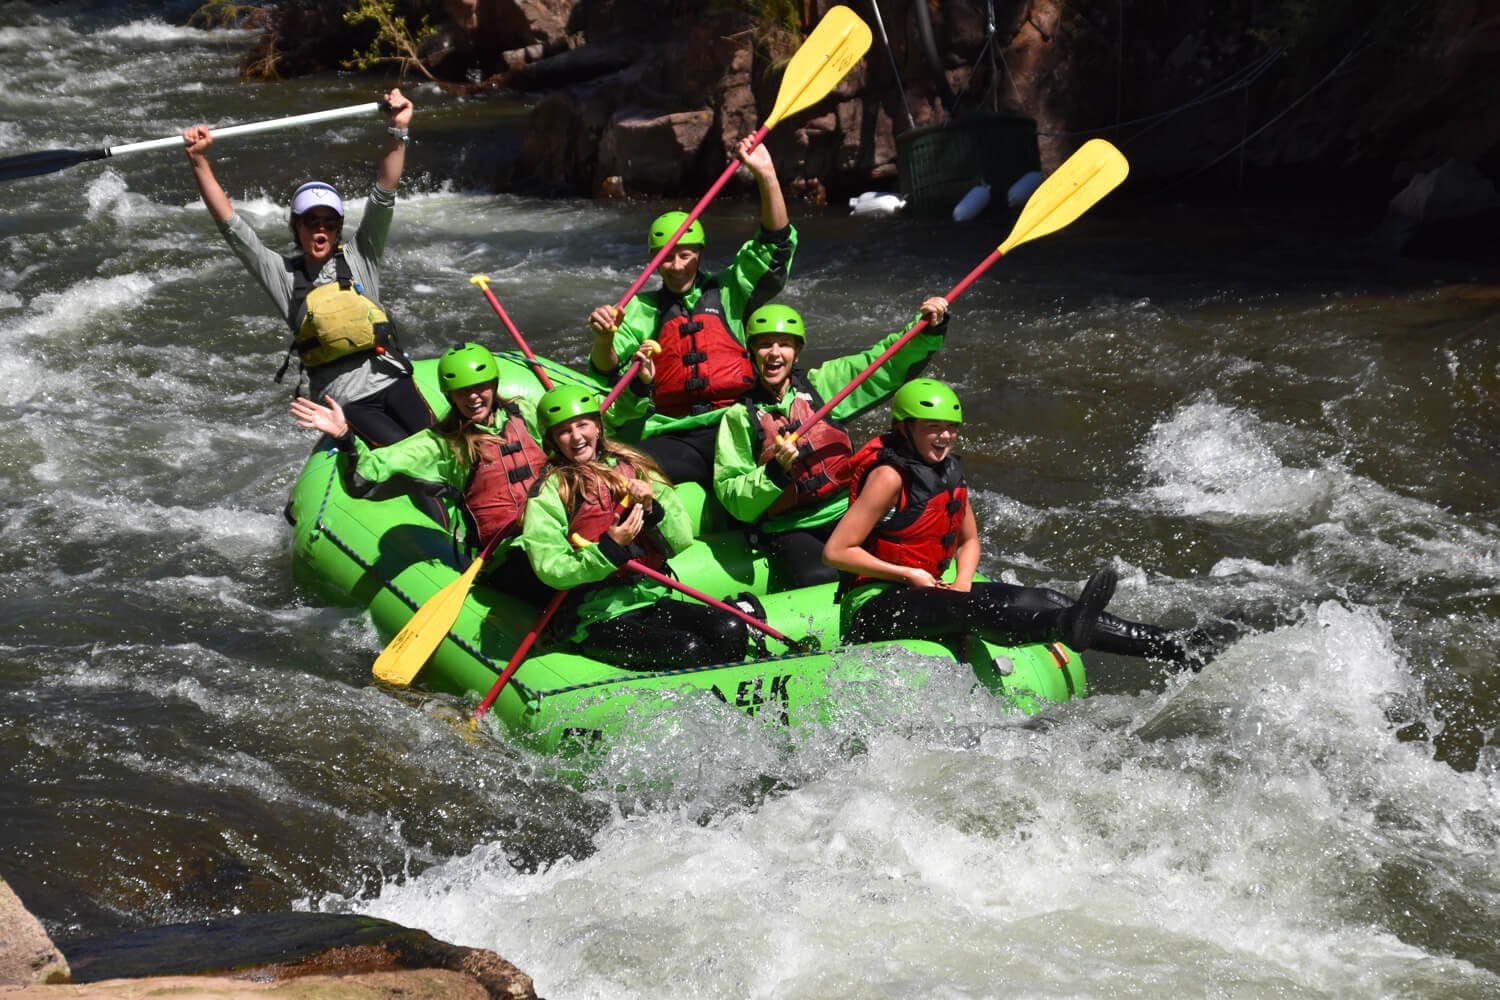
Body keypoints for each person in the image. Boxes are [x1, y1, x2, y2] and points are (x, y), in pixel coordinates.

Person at [823, 379, 1232, 667]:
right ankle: (1062, 628)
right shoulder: (889, 476)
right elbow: (838, 551)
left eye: (951, 429)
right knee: (984, 607)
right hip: (874, 607)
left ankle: (1175, 646)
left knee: (1044, 595)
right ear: (904, 428)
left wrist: (963, 580)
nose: (944, 437)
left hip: (930, 592)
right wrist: (907, 572)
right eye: (933, 428)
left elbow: (969, 542)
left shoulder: (947, 473)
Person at [184, 88, 430, 447]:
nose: (320, 229)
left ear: (337, 228)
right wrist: (199, 161)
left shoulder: (361, 255)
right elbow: (233, 228)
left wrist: (398, 129)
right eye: (311, 221)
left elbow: (384, 193)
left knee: (439, 448)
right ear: (296, 227)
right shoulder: (283, 277)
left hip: (393, 379)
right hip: (345, 402)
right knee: (408, 463)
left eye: (329, 222)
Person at [586, 136, 797, 486]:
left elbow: (773, 246)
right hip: (675, 432)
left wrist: (766, 175)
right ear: (654, 260)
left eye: (686, 254)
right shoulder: (641, 308)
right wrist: (602, 338)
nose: (677, 265)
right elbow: (606, 375)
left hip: (738, 420)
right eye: (666, 256)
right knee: (620, 476)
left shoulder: (730, 290)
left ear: (700, 253)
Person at [713, 297, 951, 589]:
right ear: (751, 351)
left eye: (784, 344)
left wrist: (924, 328)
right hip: (793, 526)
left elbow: (880, 363)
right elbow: (732, 495)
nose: (774, 354)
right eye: (764, 345)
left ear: (797, 352)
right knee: (821, 579)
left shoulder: (823, 386)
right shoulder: (739, 417)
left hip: (847, 512)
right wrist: (775, 470)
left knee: (909, 556)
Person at [290, 342, 550, 603]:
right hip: (509, 555)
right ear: (450, 396)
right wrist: (345, 437)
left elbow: (575, 437)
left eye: (480, 387)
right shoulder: (443, 445)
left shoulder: (524, 413)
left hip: (555, 533)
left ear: (494, 385)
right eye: (463, 391)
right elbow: (371, 473)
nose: (473, 397)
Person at [520, 383, 749, 670]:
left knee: (730, 628)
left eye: (582, 425)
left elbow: (680, 539)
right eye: (564, 431)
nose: (576, 436)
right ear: (552, 439)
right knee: (686, 649)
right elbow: (550, 567)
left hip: (650, 598)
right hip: (595, 617)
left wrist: (652, 509)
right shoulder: (551, 492)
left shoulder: (635, 468)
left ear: (598, 427)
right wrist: (610, 549)